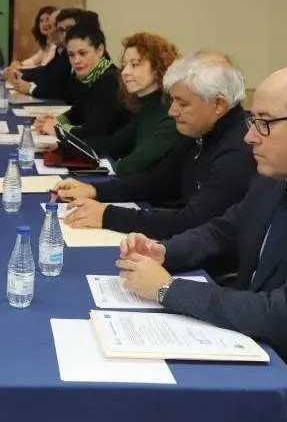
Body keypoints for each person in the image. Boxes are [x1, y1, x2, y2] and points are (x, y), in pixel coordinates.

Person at [116, 65, 287, 422]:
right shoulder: (282, 170)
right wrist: (165, 250)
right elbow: (224, 230)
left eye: (264, 122)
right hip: (248, 343)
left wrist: (167, 289)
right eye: (251, 121)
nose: (249, 138)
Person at [56, 51, 255, 272]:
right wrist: (95, 190)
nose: (172, 112)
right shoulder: (203, 130)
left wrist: (107, 215)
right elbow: (158, 181)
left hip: (211, 268)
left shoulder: (238, 151)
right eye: (173, 101)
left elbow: (192, 222)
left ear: (218, 105)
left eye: (182, 103)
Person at [87, 32, 183, 176]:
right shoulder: (147, 107)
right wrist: (63, 145)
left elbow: (134, 165)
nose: (125, 72)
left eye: (134, 65)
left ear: (158, 67)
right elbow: (112, 145)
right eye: (124, 65)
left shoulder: (169, 111)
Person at [31, 24, 129, 140]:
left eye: (82, 53)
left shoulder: (110, 81)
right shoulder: (92, 76)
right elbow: (77, 113)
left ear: (100, 50)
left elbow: (93, 134)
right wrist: (55, 120)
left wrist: (57, 128)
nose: (76, 61)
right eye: (71, 55)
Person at [6, 7, 103, 99]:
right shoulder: (65, 52)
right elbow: (50, 74)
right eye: (61, 30)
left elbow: (71, 91)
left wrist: (31, 88)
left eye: (82, 53)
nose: (65, 35)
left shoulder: (105, 75)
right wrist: (57, 118)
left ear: (99, 50)